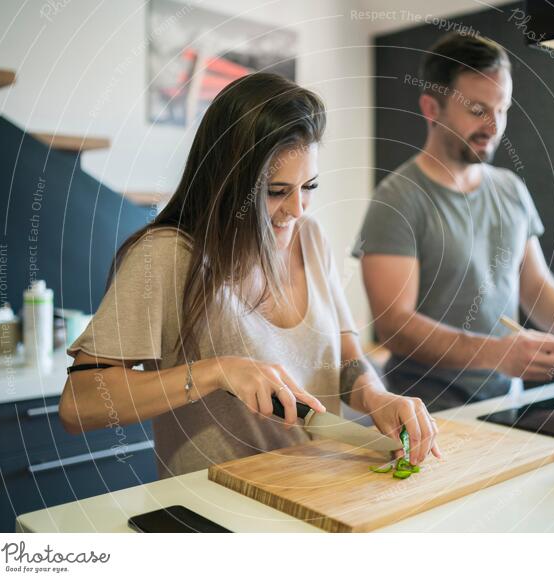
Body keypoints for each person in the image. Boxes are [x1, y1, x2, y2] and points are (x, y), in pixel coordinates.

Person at [60, 73, 441, 478]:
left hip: (319, 494)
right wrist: (213, 371)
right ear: (228, 184)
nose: (298, 209)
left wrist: (376, 396)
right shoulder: (167, 256)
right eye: (276, 191)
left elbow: (346, 363)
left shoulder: (311, 239)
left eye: (308, 186)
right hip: (215, 512)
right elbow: (79, 403)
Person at [355, 33, 554, 412]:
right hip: (425, 410)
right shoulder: (396, 199)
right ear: (431, 108)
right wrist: (496, 353)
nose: (494, 125)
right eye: (477, 110)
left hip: (504, 403)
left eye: (502, 110)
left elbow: (534, 285)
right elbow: (394, 327)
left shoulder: (510, 189)